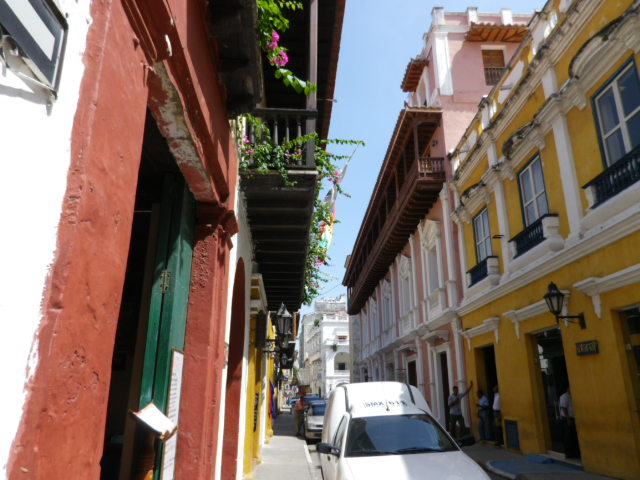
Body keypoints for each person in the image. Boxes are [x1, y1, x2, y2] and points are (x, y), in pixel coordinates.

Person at [559, 386, 580, 458]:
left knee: (573, 436)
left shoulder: (572, 396)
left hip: (572, 418)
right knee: (568, 436)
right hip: (567, 418)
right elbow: (563, 407)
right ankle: (569, 454)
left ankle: (575, 452)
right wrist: (568, 418)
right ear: (568, 389)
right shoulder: (564, 396)